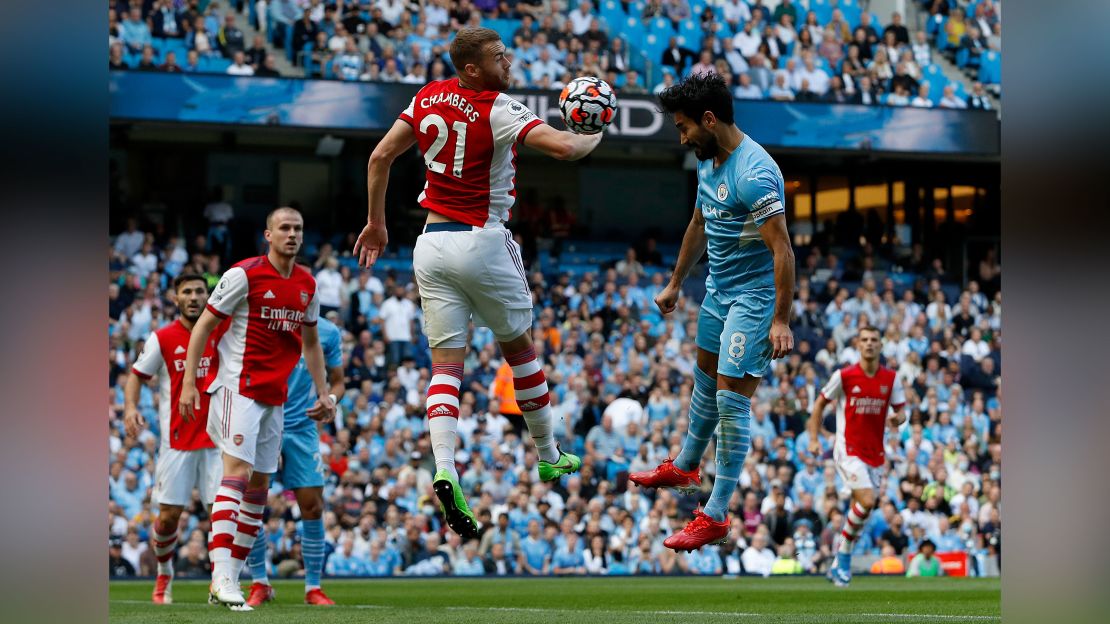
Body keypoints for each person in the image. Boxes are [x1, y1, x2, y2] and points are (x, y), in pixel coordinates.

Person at [353, 27, 600, 540]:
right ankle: (549, 455)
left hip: (429, 243)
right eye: (497, 56)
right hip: (482, 241)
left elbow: (379, 158)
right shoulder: (498, 106)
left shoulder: (426, 96)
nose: (507, 62)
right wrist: (596, 129)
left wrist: (377, 223)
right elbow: (564, 149)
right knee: (522, 352)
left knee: (445, 367)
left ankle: (444, 466)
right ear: (472, 68)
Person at [629, 73, 795, 551]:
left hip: (755, 299)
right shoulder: (707, 161)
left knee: (730, 399)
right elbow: (699, 222)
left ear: (709, 119)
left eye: (684, 128)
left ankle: (716, 513)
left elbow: (782, 250)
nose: (681, 138)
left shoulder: (755, 172)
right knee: (703, 378)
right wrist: (677, 281)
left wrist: (780, 319)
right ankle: (684, 465)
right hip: (718, 292)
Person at [180, 207, 336, 609]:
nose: (292, 235)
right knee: (237, 474)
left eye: (298, 229)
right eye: (284, 228)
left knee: (260, 488)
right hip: (237, 387)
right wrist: (188, 385)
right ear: (268, 234)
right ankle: (221, 575)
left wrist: (324, 393)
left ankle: (228, 579)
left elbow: (312, 343)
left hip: (275, 397)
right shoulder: (242, 275)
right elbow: (204, 327)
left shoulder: (307, 283)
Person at [124, 273, 223, 604]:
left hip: (218, 442)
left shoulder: (222, 332)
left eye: (199, 291)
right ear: (175, 298)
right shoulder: (162, 337)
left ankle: (219, 581)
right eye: (187, 292)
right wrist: (130, 408)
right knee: (167, 519)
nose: (195, 297)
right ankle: (165, 573)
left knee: (220, 515)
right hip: (176, 444)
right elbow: (137, 377)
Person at [245, 314, 345, 607]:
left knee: (312, 505)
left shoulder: (327, 332)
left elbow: (338, 382)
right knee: (252, 503)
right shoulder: (266, 320)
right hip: (263, 418)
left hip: (302, 427)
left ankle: (313, 587)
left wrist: (331, 400)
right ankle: (259, 582)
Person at [807, 326, 906, 587]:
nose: (870, 344)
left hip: (876, 452)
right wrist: (814, 438)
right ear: (858, 345)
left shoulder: (891, 379)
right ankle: (845, 557)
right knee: (868, 500)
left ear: (881, 345)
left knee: (860, 509)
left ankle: (837, 564)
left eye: (874, 340)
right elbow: (819, 404)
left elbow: (902, 411)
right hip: (847, 449)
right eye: (865, 340)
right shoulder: (845, 376)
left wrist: (898, 418)